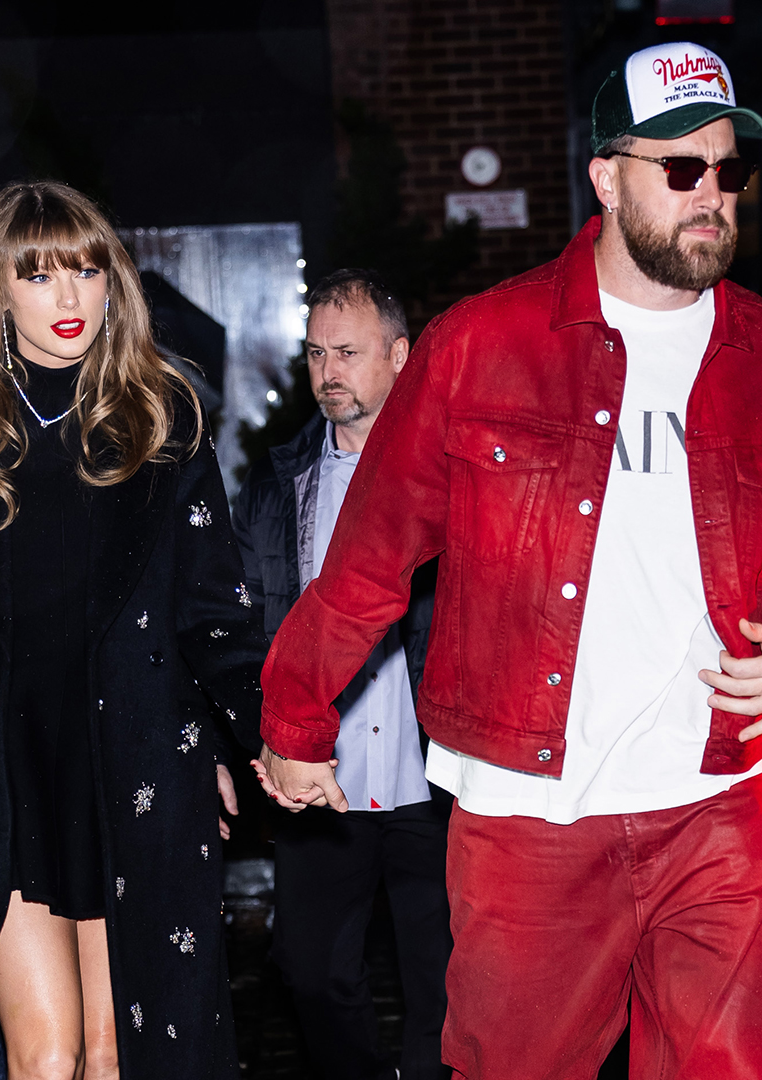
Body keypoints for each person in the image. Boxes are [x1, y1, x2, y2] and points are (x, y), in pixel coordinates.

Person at [252, 41, 762, 1080]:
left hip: (723, 803)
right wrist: (295, 716)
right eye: (680, 169)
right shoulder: (480, 347)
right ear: (605, 178)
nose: (709, 194)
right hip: (531, 813)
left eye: (728, 170)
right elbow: (370, 557)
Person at [0, 180, 265, 1080]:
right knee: (44, 1058)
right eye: (38, 276)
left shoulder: (164, 417)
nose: (69, 297)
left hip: (132, 765)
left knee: (119, 1051)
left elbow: (212, 611)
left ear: (114, 279)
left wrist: (261, 737)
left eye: (86, 270)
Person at [234, 269, 452, 1080]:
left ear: (400, 355)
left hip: (436, 777)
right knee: (313, 972)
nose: (328, 371)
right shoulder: (277, 486)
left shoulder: (455, 475)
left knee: (445, 981)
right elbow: (251, 624)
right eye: (317, 353)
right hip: (321, 780)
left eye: (348, 353)